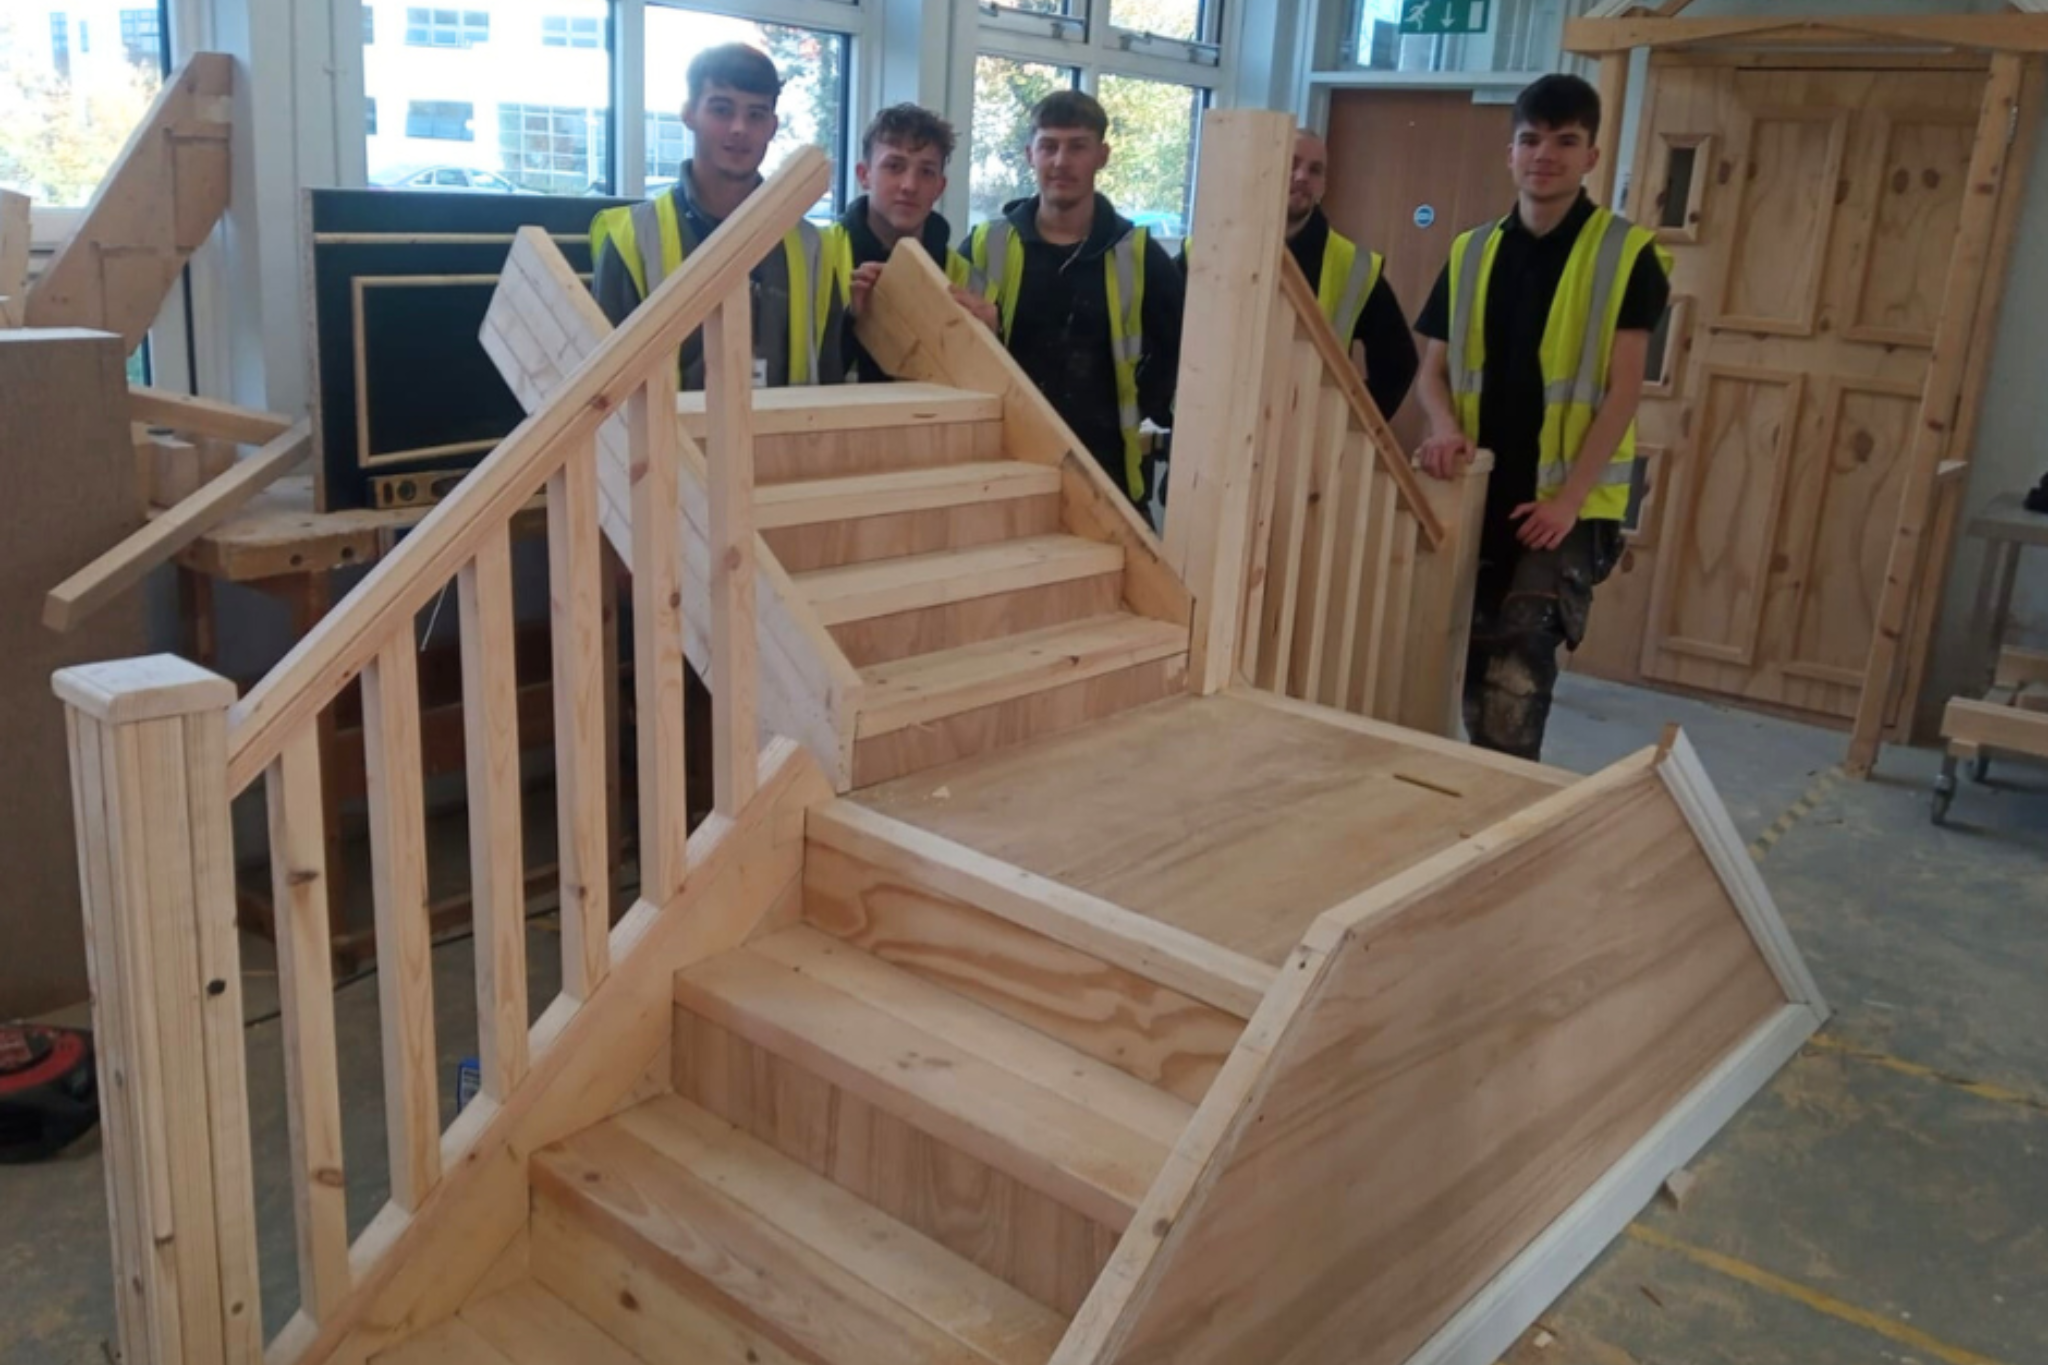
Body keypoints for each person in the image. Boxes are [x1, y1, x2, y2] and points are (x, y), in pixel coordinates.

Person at [1412, 73, 1671, 760]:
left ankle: (1506, 797)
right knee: (1471, 662)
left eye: (1565, 141)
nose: (1544, 155)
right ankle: (1481, 788)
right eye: (1530, 140)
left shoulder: (1626, 254)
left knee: (1519, 667)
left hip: (1566, 505)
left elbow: (1623, 390)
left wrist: (1569, 502)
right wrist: (1443, 427)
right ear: (1510, 153)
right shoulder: (1471, 251)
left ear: (1591, 156)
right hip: (1482, 491)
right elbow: (1431, 373)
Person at [963, 91, 1185, 518]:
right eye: (1048, 146)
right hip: (1006, 463)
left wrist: (1144, 403)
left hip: (1106, 468)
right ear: (1030, 155)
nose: (1061, 161)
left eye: (1077, 147)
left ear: (1102, 156)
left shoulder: (1138, 253)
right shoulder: (984, 245)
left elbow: (1180, 349)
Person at [590, 43, 845, 388]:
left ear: (772, 126)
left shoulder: (810, 245)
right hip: (670, 426)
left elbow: (829, 376)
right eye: (722, 110)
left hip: (784, 425)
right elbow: (604, 390)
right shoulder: (633, 239)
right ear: (689, 114)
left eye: (756, 114)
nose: (739, 128)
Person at [1178, 129, 1417, 419]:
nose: (1302, 176)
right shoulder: (1205, 252)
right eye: (1292, 164)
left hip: (1304, 436)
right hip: (1213, 424)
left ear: (1323, 186)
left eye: (1315, 170)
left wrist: (1347, 424)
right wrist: (1169, 406)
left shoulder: (1355, 266)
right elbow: (1162, 336)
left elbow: (1398, 364)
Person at [827, 104, 999, 380]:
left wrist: (989, 345)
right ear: (863, 175)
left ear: (940, 187)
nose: (909, 185)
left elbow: (986, 389)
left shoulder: (969, 282)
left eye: (926, 172)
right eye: (894, 167)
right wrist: (851, 322)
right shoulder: (816, 257)